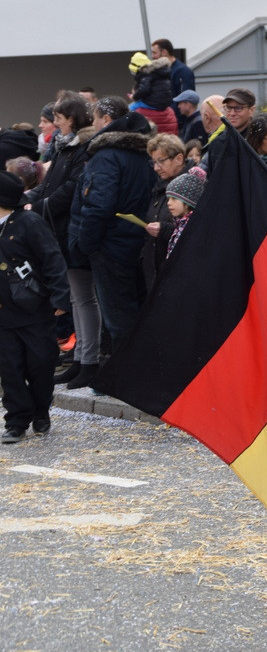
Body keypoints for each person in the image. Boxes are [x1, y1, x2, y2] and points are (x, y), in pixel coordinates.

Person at [26, 91, 101, 390]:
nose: (54, 123)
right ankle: (82, 358)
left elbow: (70, 188)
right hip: (59, 229)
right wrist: (29, 199)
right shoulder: (63, 147)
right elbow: (50, 185)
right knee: (76, 298)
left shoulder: (82, 148)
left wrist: (41, 206)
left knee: (84, 298)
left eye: (57, 118)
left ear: (70, 118)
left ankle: (88, 360)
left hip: (71, 228)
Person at [71, 97, 155, 354]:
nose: (93, 124)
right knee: (138, 312)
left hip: (111, 246)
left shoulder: (106, 156)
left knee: (118, 318)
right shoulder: (143, 153)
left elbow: (99, 204)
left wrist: (86, 243)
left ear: (106, 120)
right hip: (139, 242)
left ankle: (126, 378)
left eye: (95, 118)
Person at [0, 171, 71, 443]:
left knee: (41, 364)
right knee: (10, 368)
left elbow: (52, 259)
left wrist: (60, 298)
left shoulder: (29, 222)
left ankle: (41, 410)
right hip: (4, 313)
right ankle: (16, 420)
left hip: (35, 310)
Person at [143, 134, 188, 291]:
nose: (156, 168)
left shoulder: (190, 187)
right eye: (153, 162)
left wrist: (164, 229)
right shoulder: (161, 185)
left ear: (178, 159)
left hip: (178, 274)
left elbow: (194, 230)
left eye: (160, 161)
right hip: (156, 271)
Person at [128, 52, 177, 134]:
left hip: (153, 103)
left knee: (130, 108)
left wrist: (134, 96)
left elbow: (144, 89)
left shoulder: (147, 75)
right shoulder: (161, 74)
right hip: (164, 103)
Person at [165, 170, 206, 258]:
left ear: (187, 201)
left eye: (174, 199)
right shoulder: (179, 223)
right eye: (168, 198)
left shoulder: (195, 227)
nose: (169, 203)